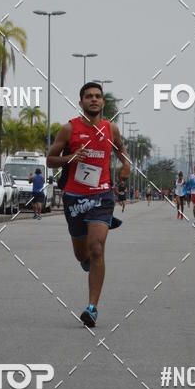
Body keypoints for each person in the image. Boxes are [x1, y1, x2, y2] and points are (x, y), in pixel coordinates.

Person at [47, 82, 130, 327]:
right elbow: (50, 159)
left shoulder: (111, 129)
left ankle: (92, 308)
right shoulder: (69, 129)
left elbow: (121, 151)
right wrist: (71, 157)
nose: (94, 100)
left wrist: (125, 164)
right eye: (89, 96)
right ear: (81, 102)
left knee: (96, 249)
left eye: (97, 96)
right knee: (81, 253)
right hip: (74, 197)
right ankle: (85, 259)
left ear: (103, 102)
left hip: (101, 196)